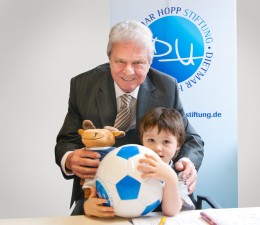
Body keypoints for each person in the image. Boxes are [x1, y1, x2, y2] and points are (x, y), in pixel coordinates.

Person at [55, 20, 204, 216]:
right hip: (97, 198)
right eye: (120, 61)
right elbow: (66, 141)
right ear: (110, 58)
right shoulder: (83, 85)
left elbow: (192, 140)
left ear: (149, 62)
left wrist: (186, 163)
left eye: (138, 63)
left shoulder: (167, 87)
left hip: (155, 197)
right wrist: (70, 159)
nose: (128, 71)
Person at [84, 107, 195, 217]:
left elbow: (170, 211)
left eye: (166, 141)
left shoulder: (179, 174)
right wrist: (88, 208)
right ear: (142, 140)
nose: (157, 148)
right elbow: (94, 195)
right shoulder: (122, 165)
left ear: (178, 145)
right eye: (151, 140)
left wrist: (170, 177)